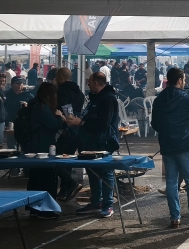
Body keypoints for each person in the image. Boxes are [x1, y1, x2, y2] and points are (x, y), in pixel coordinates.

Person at [151, 68, 189, 229]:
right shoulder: (187, 97)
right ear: (180, 80)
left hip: (167, 144)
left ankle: (174, 218)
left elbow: (154, 124)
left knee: (171, 182)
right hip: (185, 143)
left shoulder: (159, 99)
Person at [67, 73, 121, 219]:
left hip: (103, 142)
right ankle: (96, 202)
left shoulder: (108, 99)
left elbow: (103, 124)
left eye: (89, 82)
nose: (88, 84)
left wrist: (82, 123)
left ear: (97, 83)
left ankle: (108, 204)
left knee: (105, 172)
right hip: (90, 142)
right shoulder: (96, 97)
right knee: (92, 172)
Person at [26, 83, 68, 219]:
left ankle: (35, 209)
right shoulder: (42, 108)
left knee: (36, 179)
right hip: (42, 148)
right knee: (47, 178)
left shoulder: (37, 106)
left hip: (37, 147)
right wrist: (59, 117)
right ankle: (46, 210)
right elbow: (55, 125)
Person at [55, 68, 85, 201]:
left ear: (61, 77)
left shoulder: (61, 91)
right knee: (68, 158)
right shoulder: (79, 91)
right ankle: (65, 189)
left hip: (65, 127)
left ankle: (69, 184)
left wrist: (65, 121)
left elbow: (67, 110)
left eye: (56, 78)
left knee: (56, 158)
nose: (55, 80)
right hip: (77, 129)